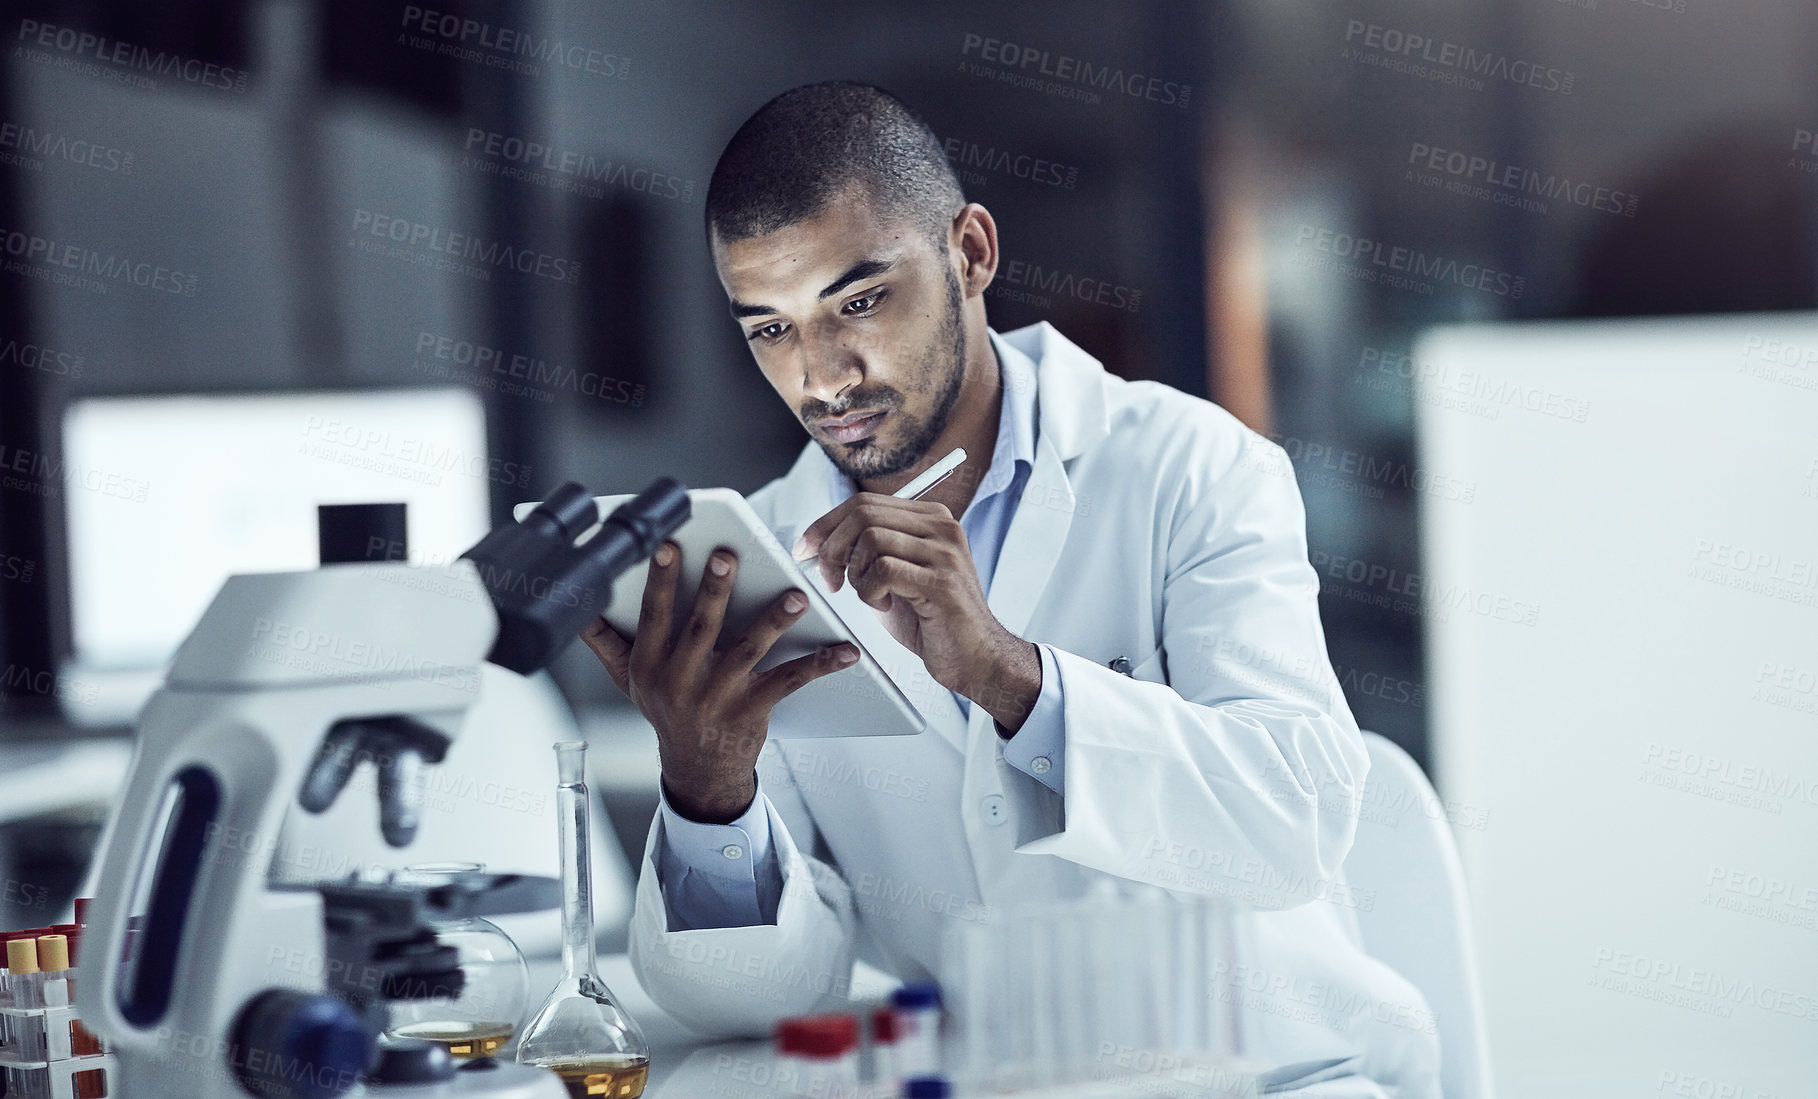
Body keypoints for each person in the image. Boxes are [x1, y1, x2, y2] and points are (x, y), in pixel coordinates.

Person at [579, 81, 1440, 1097]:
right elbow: (766, 1000)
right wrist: (709, 791)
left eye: (858, 302)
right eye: (771, 327)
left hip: (1276, 1075)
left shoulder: (1190, 468)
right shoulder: (767, 556)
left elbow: (1294, 822)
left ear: (972, 253)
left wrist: (1012, 678)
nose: (822, 375)